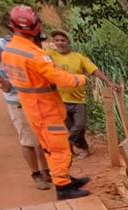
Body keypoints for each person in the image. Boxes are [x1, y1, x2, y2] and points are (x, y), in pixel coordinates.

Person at [0, 5, 90, 200]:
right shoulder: (34, 54)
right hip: (45, 106)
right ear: (35, 27)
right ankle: (63, 187)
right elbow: (58, 77)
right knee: (59, 148)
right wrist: (81, 80)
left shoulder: (9, 50)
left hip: (32, 105)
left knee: (49, 146)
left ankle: (63, 178)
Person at [0, 36, 52, 190]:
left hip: (38, 99)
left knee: (42, 138)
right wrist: (2, 81)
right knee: (28, 139)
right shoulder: (3, 43)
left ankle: (46, 171)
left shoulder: (34, 45)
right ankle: (37, 175)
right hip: (18, 99)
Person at [47, 29, 117, 158]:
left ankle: (68, 142)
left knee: (80, 126)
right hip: (60, 99)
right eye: (57, 40)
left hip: (78, 100)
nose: (60, 43)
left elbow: (94, 70)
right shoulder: (50, 56)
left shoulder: (78, 57)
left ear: (68, 42)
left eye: (63, 40)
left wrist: (109, 82)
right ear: (53, 42)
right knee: (69, 127)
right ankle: (81, 149)